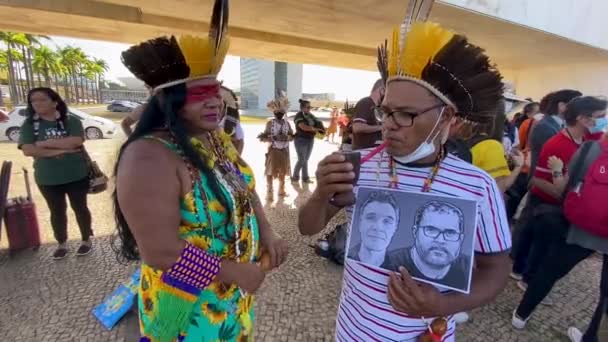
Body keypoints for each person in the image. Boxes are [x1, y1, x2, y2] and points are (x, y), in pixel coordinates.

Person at [298, 15, 510, 341]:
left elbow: (495, 271)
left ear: (446, 117)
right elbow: (308, 227)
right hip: (353, 331)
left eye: (406, 114)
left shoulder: (478, 185)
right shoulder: (359, 166)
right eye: (385, 111)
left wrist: (442, 302)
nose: (389, 124)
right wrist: (320, 193)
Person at [113, 2, 288, 340]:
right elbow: (161, 252)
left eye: (217, 92)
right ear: (169, 101)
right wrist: (236, 272)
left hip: (231, 297)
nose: (215, 102)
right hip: (184, 304)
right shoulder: (147, 157)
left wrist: (267, 232)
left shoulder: (215, 138)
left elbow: (246, 189)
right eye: (200, 95)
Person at [512, 123, 608, 333]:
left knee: (549, 270)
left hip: (580, 228)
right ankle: (592, 336)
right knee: (606, 297)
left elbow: (564, 187)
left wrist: (556, 169)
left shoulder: (591, 149)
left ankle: (521, 314)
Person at [512, 96, 606, 291]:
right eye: (601, 116)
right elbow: (538, 181)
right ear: (583, 118)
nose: (603, 122)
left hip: (568, 204)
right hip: (549, 203)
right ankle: (528, 280)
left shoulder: (589, 139)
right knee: (540, 247)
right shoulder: (558, 144)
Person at [18, 87, 93, 259]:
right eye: (33, 100)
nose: (37, 103)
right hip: (47, 177)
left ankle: (86, 240)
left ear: (55, 102)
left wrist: (44, 144)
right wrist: (60, 151)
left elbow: (76, 141)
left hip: (76, 174)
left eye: (42, 99)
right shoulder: (30, 124)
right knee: (57, 211)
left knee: (80, 208)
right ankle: (61, 243)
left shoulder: (71, 121)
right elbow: (29, 150)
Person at [347, 190, 399, 268]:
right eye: (371, 218)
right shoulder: (341, 257)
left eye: (387, 221)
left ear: (395, 228)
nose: (378, 227)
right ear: (360, 222)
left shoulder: (399, 270)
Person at [261, 95, 293, 198]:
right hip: (273, 150)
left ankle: (281, 190)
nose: (279, 115)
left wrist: (286, 137)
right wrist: (273, 138)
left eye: (281, 113)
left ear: (283, 114)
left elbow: (292, 136)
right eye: (277, 113)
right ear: (274, 113)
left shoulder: (287, 123)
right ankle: (269, 189)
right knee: (270, 170)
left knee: (283, 171)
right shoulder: (270, 123)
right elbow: (264, 137)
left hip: (284, 150)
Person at [292, 99, 324, 183]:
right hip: (301, 140)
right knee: (301, 159)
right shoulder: (299, 116)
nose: (310, 109)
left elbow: (318, 122)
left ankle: (305, 178)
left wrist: (322, 129)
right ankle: (295, 177)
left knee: (305, 159)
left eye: (310, 107)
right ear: (302, 108)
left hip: (310, 139)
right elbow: (303, 127)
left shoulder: (310, 116)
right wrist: (315, 129)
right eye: (308, 107)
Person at [352, 79, 384, 150]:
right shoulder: (365, 103)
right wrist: (382, 127)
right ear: (381, 90)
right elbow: (357, 127)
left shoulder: (377, 107)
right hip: (365, 152)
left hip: (374, 152)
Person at [219, 85, 244, 155]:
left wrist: (237, 159)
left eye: (219, 101)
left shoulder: (233, 119)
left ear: (224, 103)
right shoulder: (205, 120)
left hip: (229, 157)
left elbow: (240, 141)